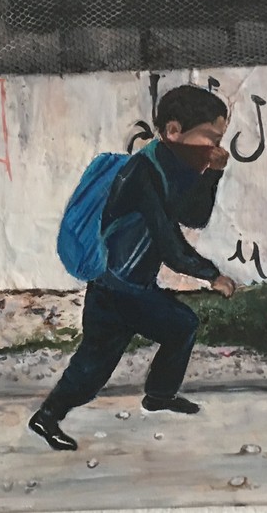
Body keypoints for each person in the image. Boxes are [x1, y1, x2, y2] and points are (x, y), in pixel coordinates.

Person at [30, 85, 237, 451]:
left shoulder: (168, 165)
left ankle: (154, 396)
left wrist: (212, 175)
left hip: (128, 285)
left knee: (110, 354)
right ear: (174, 131)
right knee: (105, 359)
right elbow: (169, 243)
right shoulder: (144, 172)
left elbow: (194, 216)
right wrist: (211, 275)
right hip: (120, 287)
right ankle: (51, 415)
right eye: (211, 138)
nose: (216, 148)